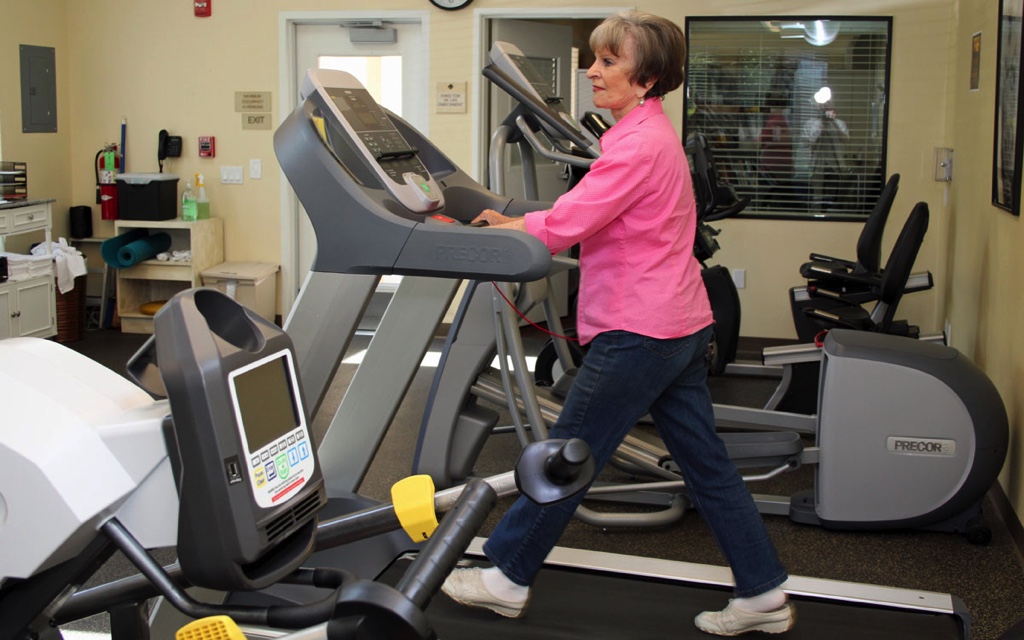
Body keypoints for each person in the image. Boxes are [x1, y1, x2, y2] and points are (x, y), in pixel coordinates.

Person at [441, 10, 794, 637]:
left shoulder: (636, 145)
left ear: (648, 77)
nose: (593, 71)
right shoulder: (644, 136)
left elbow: (571, 221)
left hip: (642, 331)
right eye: (594, 59)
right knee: (706, 466)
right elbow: (594, 211)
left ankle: (505, 577)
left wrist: (512, 225)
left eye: (609, 61)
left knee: (566, 455)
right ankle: (763, 591)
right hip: (678, 326)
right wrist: (522, 221)